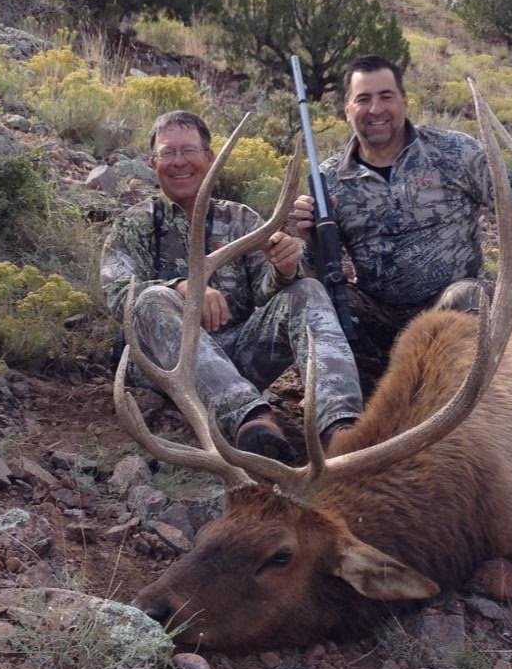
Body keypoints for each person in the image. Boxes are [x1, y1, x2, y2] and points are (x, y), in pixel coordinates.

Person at [101, 110, 362, 463]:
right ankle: (252, 421)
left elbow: (265, 294)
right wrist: (182, 289)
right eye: (168, 153)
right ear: (153, 163)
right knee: (149, 300)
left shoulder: (242, 220)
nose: (179, 162)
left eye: (189, 151)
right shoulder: (135, 225)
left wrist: (284, 270)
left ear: (210, 158)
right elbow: (119, 296)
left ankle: (342, 429)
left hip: (236, 355)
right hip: (163, 367)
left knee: (308, 291)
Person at [293, 56, 512, 394]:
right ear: (347, 109)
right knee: (313, 301)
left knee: (468, 296)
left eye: (386, 96)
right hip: (381, 318)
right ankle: (342, 412)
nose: (376, 109)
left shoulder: (456, 153)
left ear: (404, 101)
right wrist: (311, 239)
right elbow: (321, 272)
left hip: (451, 307)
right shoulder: (328, 180)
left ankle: (477, 405)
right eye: (363, 99)